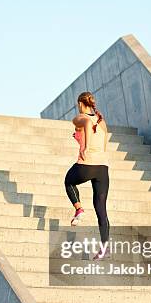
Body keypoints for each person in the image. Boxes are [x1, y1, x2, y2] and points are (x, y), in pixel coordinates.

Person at [64, 91, 110, 260]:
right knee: (101, 210)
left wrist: (85, 147)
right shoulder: (102, 122)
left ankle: (79, 210)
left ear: (80, 104)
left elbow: (86, 127)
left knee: (68, 181)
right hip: (102, 168)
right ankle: (105, 248)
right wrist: (82, 142)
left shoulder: (80, 117)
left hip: (87, 164)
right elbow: (103, 143)